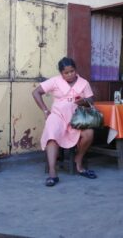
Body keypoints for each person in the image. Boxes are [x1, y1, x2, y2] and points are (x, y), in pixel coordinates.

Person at [32, 57, 97, 187]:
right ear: (61, 73)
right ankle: (52, 172)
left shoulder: (83, 83)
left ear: (75, 70)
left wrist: (83, 101)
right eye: (66, 73)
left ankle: (78, 161)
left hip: (77, 117)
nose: (69, 75)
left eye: (72, 71)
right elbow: (36, 92)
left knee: (89, 133)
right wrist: (45, 111)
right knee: (51, 134)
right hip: (58, 116)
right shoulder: (55, 81)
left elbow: (91, 100)